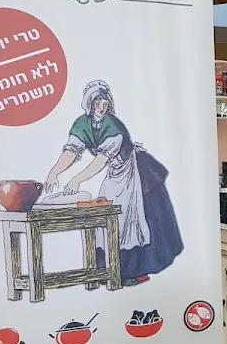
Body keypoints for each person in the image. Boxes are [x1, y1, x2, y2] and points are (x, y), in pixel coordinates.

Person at [44, 80, 182, 284]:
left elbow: (101, 160)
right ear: (89, 103)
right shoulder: (83, 124)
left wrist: (76, 179)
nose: (101, 107)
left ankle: (133, 272)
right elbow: (72, 150)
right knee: (109, 216)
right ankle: (109, 270)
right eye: (97, 102)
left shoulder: (113, 126)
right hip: (116, 173)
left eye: (105, 102)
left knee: (128, 218)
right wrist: (54, 172)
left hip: (134, 171)